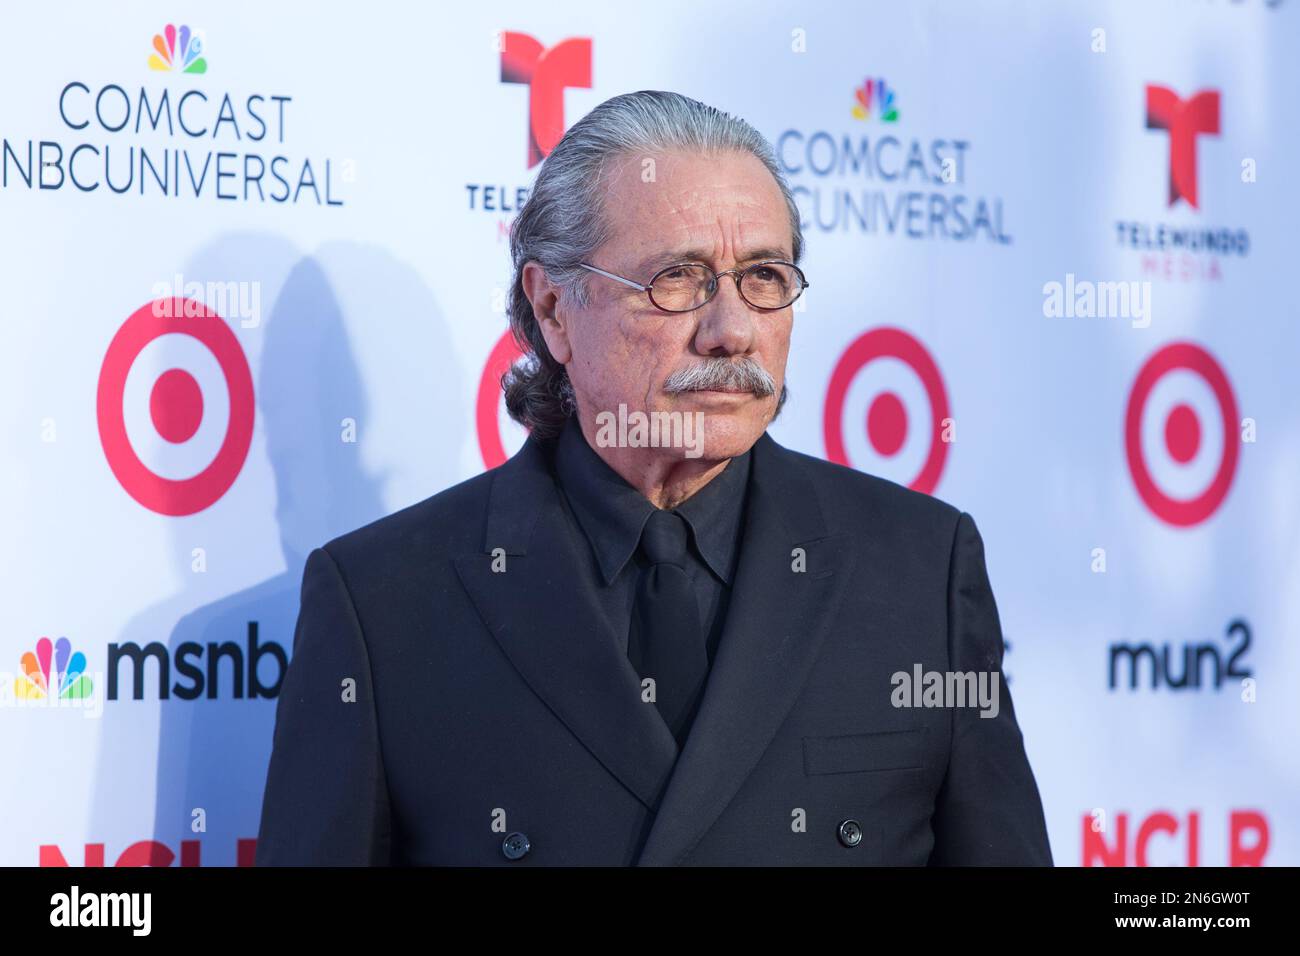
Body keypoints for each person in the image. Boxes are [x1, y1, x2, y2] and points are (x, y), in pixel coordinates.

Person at [255, 90, 1052, 866]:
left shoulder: (920, 570)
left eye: (765, 277)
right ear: (555, 309)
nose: (733, 329)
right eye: (679, 278)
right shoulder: (384, 603)